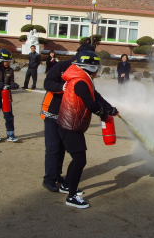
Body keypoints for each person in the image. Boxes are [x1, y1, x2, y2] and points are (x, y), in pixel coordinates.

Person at [56, 50, 118, 209]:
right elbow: (90, 103)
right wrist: (103, 112)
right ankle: (71, 197)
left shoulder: (82, 78)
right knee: (80, 160)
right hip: (71, 125)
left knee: (77, 159)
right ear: (90, 67)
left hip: (71, 124)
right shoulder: (81, 82)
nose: (97, 70)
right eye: (96, 67)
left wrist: (109, 107)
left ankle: (67, 186)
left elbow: (95, 96)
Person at [41, 44, 96, 194]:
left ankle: (57, 174)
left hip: (69, 116)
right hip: (53, 113)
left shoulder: (85, 70)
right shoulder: (62, 66)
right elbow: (47, 83)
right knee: (53, 148)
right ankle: (49, 180)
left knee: (63, 147)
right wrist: (62, 87)